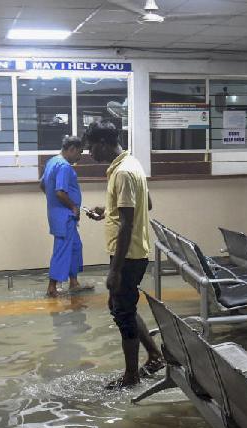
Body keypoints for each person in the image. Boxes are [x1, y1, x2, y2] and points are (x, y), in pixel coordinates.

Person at [83, 121, 164, 389]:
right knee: (120, 307)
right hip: (130, 252)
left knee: (123, 312)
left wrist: (115, 270)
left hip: (128, 256)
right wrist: (107, 212)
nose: (90, 153)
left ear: (104, 142)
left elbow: (128, 224)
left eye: (92, 147)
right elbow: (146, 203)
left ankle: (132, 376)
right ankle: (154, 355)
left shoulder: (124, 172)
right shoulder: (132, 165)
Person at [40, 136, 93, 297]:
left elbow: (43, 185)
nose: (79, 158)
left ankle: (74, 282)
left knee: (76, 247)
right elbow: (60, 192)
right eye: (79, 153)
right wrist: (72, 207)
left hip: (60, 215)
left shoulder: (52, 162)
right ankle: (52, 287)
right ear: (72, 149)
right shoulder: (64, 166)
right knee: (62, 250)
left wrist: (55, 203)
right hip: (65, 217)